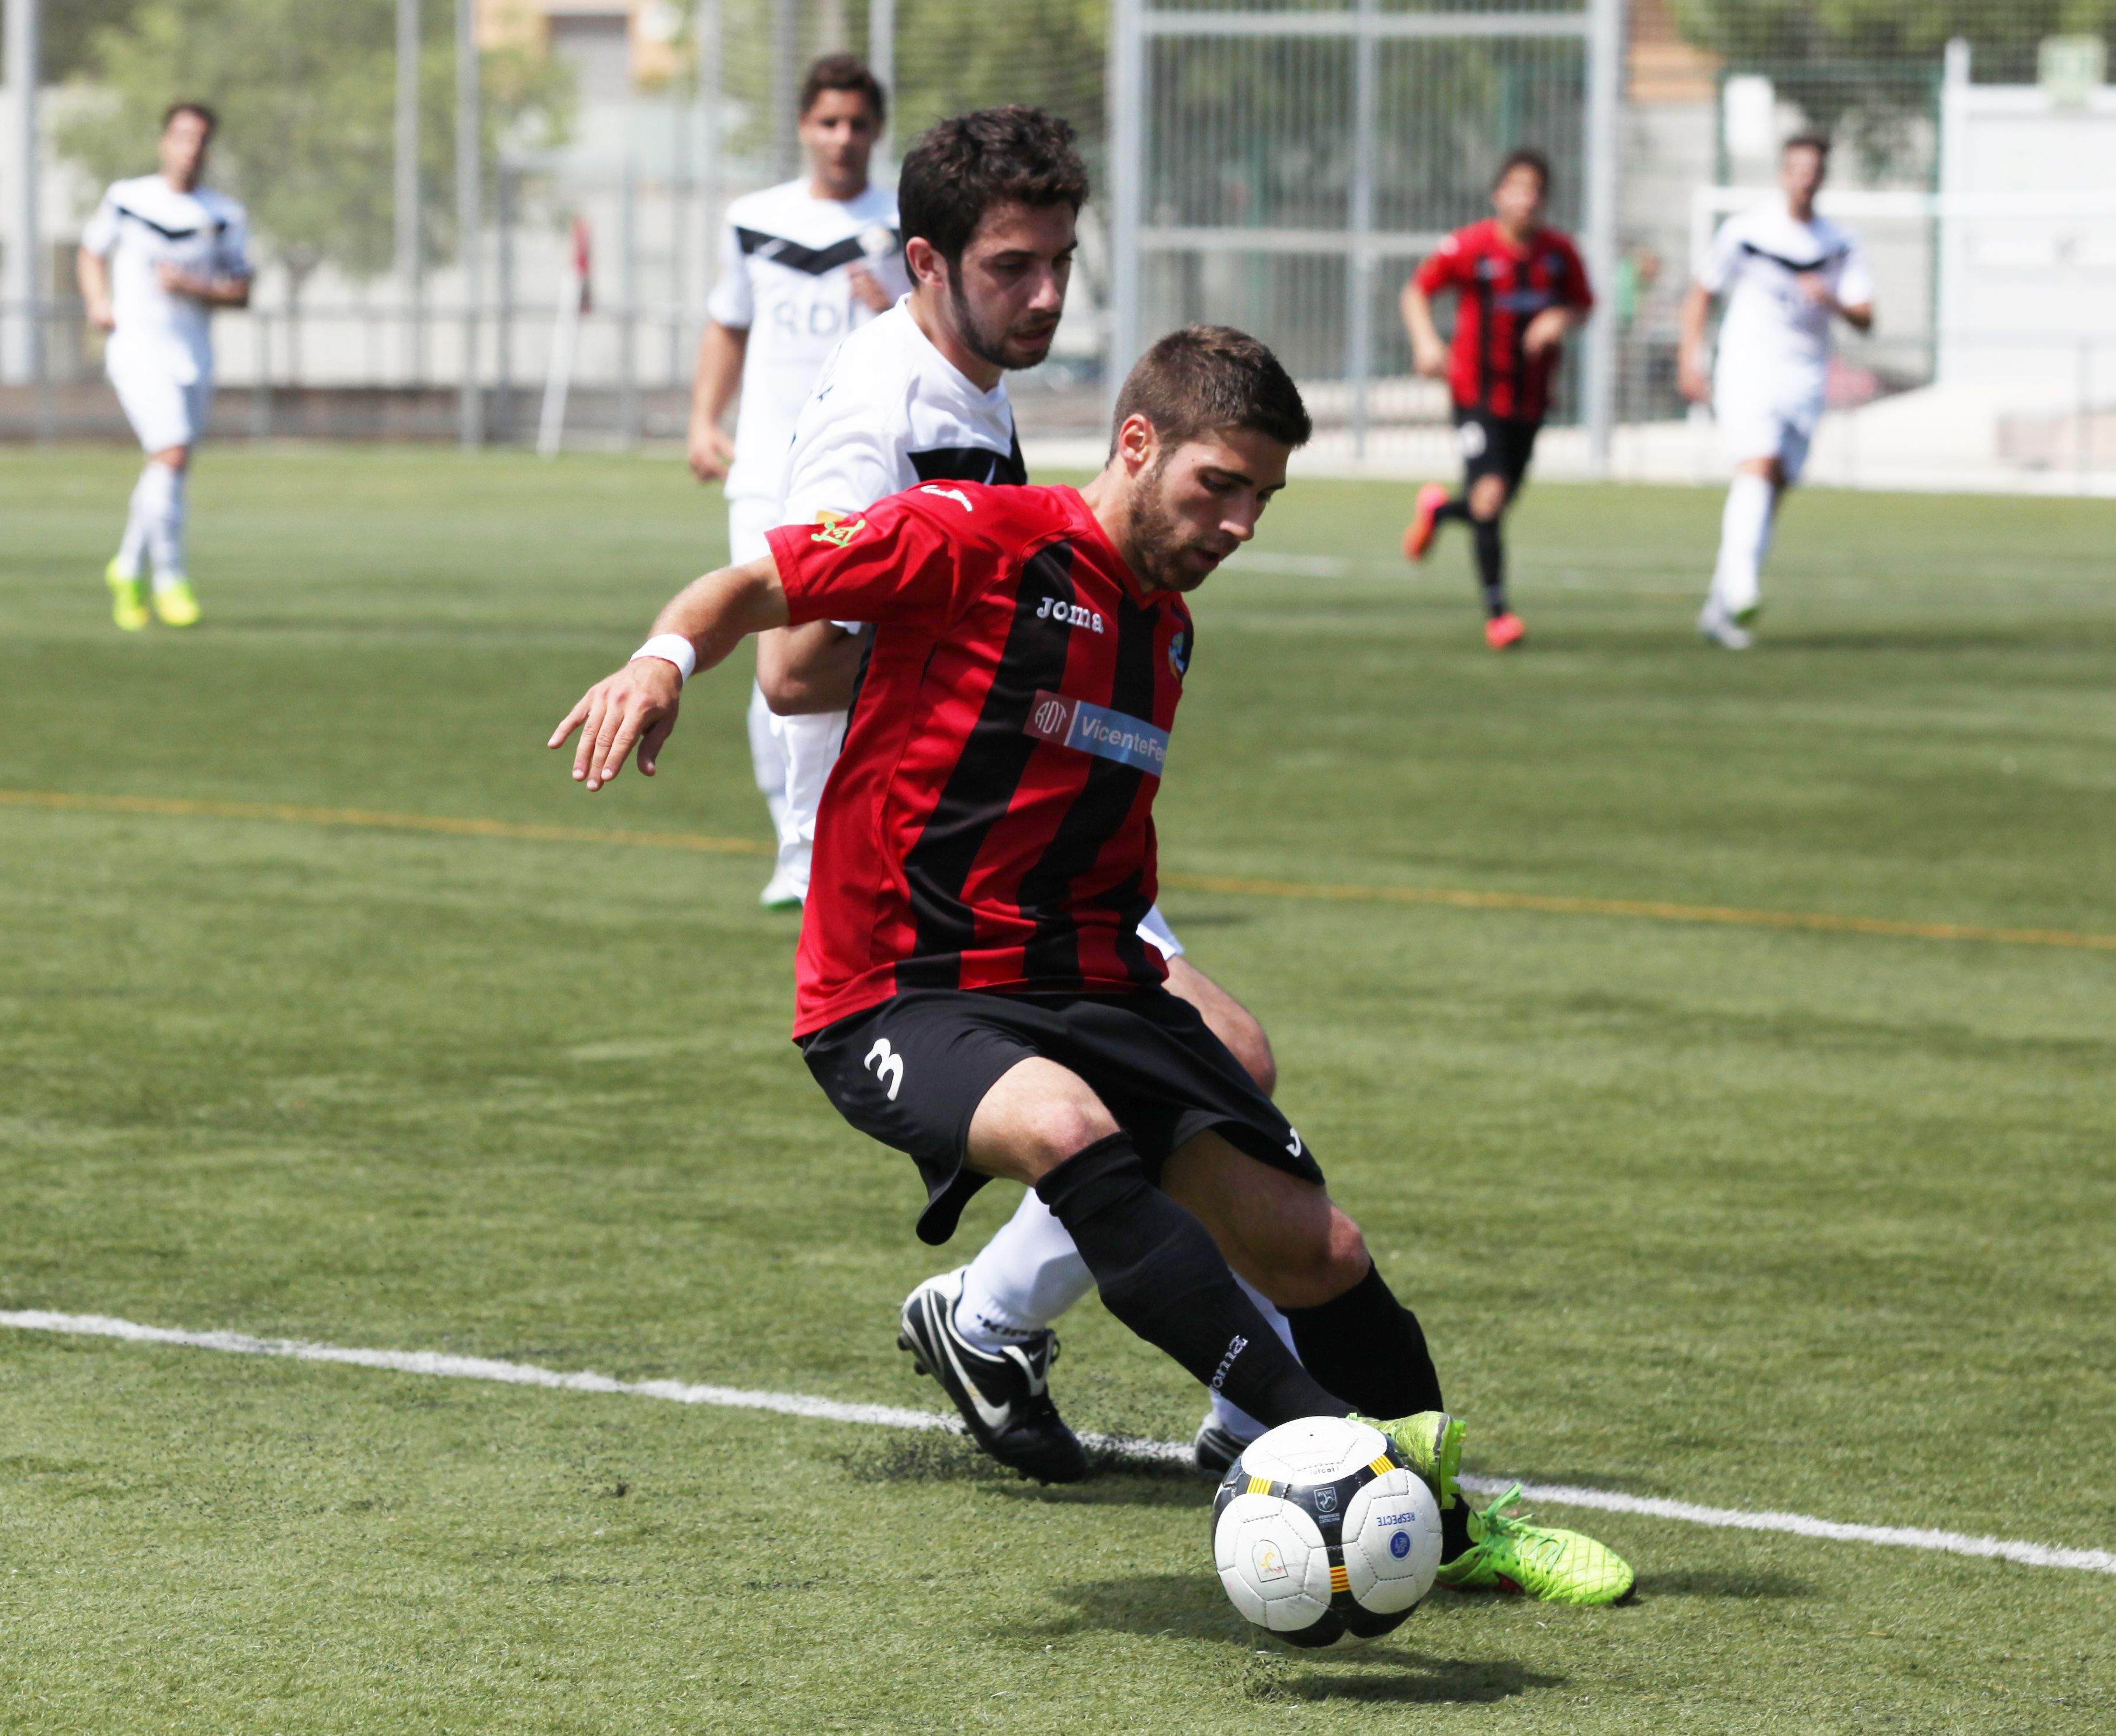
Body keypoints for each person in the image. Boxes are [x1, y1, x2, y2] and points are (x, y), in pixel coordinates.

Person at [550, 324, 1635, 1606]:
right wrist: (661, 661)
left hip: (1081, 977)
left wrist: (1172, 992)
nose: (1239, 523)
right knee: (1068, 1126)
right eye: (1217, 487)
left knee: (1321, 1252)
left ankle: (1448, 1522)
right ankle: (1312, 1443)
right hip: (898, 984)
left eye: (1261, 501)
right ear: (1138, 444)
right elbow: (748, 590)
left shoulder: (1164, 633)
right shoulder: (972, 536)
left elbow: (1100, 849)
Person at [756, 106, 1286, 1487]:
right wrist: (983, 620)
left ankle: (1005, 1325)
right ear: (925, 263)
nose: (1044, 292)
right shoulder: (878, 412)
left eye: (1058, 259)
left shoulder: (969, 378)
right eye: (1012, 266)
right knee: (1209, 1062)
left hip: (1043, 804)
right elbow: (791, 664)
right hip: (932, 849)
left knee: (1226, 1062)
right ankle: (1246, 1412)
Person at [689, 55, 907, 911]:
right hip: (769, 473)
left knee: (855, 657)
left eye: (857, 123)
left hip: (868, 471)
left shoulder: (904, 224)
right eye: (828, 122)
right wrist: (702, 419)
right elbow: (728, 323)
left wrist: (890, 295)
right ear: (804, 127)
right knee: (774, 658)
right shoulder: (753, 219)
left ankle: (859, 839)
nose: (842, 138)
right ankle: (797, 846)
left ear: (875, 130)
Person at [1678, 134, 1874, 651]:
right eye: (1797, 168)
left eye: (1814, 170)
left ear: (1823, 177)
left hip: (1805, 377)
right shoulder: (1747, 230)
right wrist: (1690, 359)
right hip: (1748, 368)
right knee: (1758, 466)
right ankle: (1742, 586)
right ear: (1783, 173)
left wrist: (1831, 300)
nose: (1805, 179)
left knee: (1774, 489)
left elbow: (1866, 316)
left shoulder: (1840, 243)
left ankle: (1719, 608)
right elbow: (1702, 292)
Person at [1397, 150, 1593, 650]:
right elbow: (1417, 291)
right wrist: (1425, 342)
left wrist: (1559, 320)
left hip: (1530, 400)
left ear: (1545, 199)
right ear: (1498, 194)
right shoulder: (1471, 246)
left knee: (1496, 503)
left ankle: (1439, 513)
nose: (1525, 199)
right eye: (1516, 187)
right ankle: (1500, 615)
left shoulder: (1558, 254)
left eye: (1535, 190)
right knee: (1488, 497)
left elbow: (1583, 304)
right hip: (1475, 392)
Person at [78, 102, 253, 631]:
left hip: (191, 353)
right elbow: (90, 252)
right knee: (170, 452)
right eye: (181, 135)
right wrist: (97, 301)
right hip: (136, 347)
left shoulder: (223, 215)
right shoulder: (128, 198)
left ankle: (127, 567)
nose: (190, 147)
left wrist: (194, 287)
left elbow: (241, 290)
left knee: (170, 468)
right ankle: (169, 578)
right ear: (164, 142)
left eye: (200, 138)